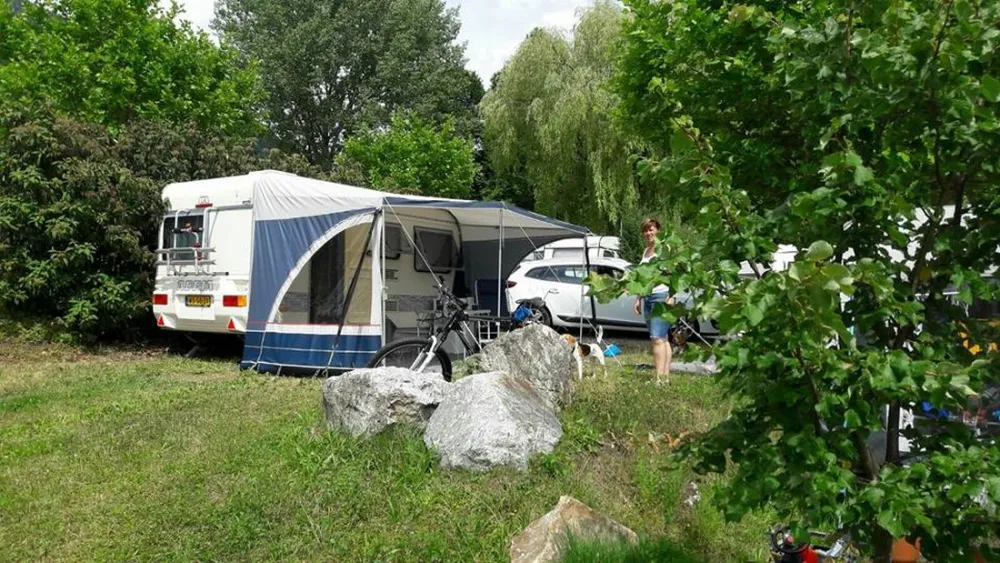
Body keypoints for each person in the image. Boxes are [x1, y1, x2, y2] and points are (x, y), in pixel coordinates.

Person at [633, 217, 672, 383]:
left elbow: (673, 274)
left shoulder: (664, 250)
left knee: (657, 338)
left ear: (658, 231)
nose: (648, 233)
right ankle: (664, 377)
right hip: (648, 297)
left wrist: (672, 296)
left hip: (661, 296)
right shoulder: (645, 251)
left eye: (651, 229)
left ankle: (659, 378)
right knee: (662, 338)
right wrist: (638, 299)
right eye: (646, 230)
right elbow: (643, 277)